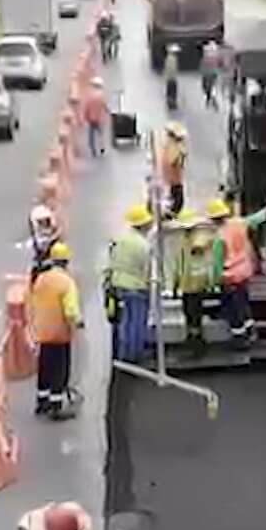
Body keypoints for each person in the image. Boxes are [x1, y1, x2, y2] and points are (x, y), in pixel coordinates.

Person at [207, 197, 266, 347]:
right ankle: (251, 330)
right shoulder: (239, 223)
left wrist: (214, 281)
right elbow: (255, 219)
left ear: (213, 220)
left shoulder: (219, 238)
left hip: (229, 277)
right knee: (243, 304)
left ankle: (240, 338)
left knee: (234, 311)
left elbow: (217, 263)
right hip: (244, 271)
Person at [30, 242, 83, 419]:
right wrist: (78, 322)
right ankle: (56, 406)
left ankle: (41, 402)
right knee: (60, 370)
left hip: (42, 331)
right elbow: (71, 310)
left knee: (45, 368)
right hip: (59, 334)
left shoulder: (41, 279)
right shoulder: (66, 283)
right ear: (66, 262)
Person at [105, 204, 155, 363]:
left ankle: (123, 353)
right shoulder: (144, 245)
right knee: (137, 322)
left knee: (125, 322)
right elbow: (147, 270)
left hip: (118, 285)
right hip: (137, 286)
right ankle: (135, 355)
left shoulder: (120, 240)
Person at [172, 208, 220, 351]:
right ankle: (192, 339)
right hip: (187, 285)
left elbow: (203, 246)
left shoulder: (198, 238)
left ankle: (196, 343)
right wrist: (175, 284)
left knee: (194, 315)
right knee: (189, 314)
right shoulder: (184, 241)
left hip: (196, 285)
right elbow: (179, 264)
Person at [156, 122, 189, 215]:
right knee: (177, 202)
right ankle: (171, 214)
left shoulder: (168, 144)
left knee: (175, 200)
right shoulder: (173, 146)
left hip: (172, 179)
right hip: (174, 179)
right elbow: (173, 161)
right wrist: (181, 154)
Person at [28, 204, 60, 281]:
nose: (44, 225)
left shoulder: (56, 242)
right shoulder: (31, 244)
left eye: (46, 222)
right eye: (41, 222)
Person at [84, 77, 110, 157]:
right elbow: (105, 106)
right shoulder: (101, 95)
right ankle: (102, 147)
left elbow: (87, 107)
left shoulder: (90, 95)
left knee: (91, 136)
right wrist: (108, 112)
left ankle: (93, 149)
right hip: (100, 118)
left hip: (92, 119)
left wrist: (86, 116)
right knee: (100, 134)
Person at [199, 42, 222, 110]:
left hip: (209, 74)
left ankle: (210, 100)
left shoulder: (205, 58)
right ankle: (212, 100)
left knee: (208, 87)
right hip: (212, 74)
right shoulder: (214, 57)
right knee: (211, 87)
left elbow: (202, 67)